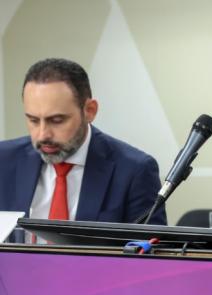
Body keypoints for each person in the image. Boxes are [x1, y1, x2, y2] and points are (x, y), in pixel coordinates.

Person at [0, 58, 166, 224]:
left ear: (89, 111)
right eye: (33, 120)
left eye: (57, 120)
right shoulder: (4, 161)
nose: (43, 135)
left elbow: (149, 241)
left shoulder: (134, 171)